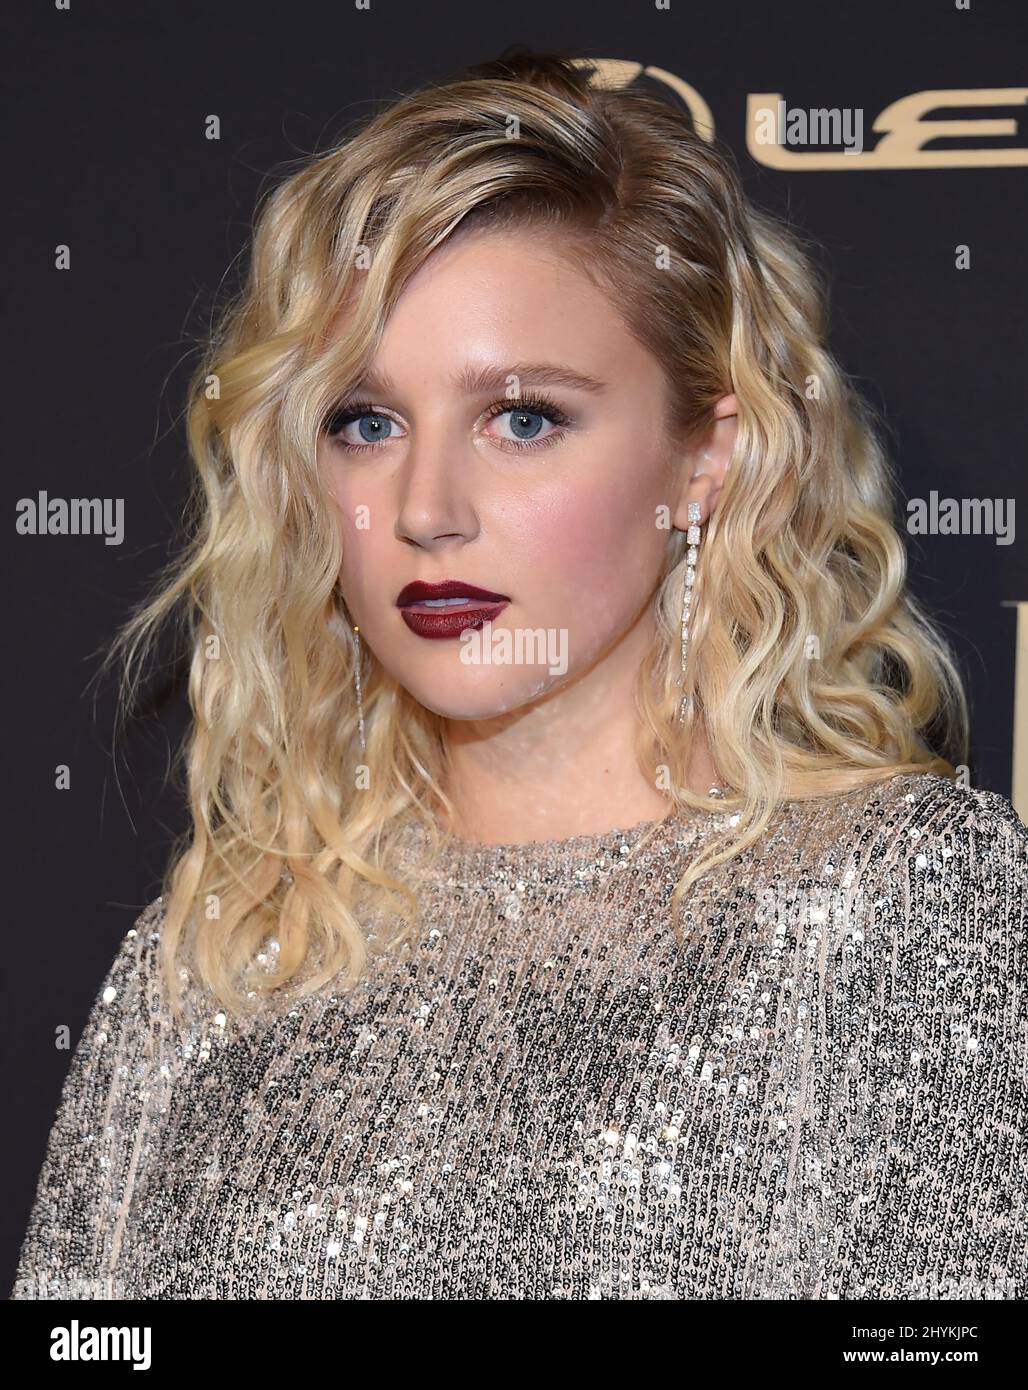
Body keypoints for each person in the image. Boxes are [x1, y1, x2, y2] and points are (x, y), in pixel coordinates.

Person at [11, 48, 1026, 1301]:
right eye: (362, 422)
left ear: (704, 460)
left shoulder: (903, 899)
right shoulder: (221, 950)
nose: (426, 508)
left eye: (524, 417)